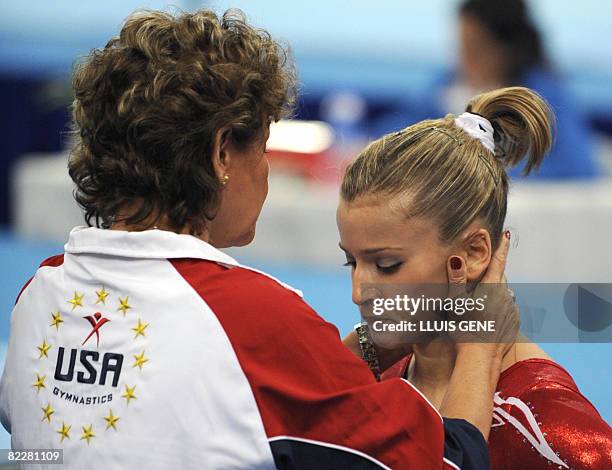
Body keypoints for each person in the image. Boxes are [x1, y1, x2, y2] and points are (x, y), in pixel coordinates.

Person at [0, 8, 516, 470]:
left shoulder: (36, 296)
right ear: (223, 152)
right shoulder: (256, 320)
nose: (267, 172)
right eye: (264, 147)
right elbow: (452, 461)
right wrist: (480, 333)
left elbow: (34, 449)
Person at [339, 86, 612, 469]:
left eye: (386, 266)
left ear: (474, 254)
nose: (357, 293)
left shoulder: (545, 425)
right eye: (351, 263)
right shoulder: (378, 380)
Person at [374, 0, 599, 179]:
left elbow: (579, 167)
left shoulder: (542, 98)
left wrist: (483, 172)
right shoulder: (446, 86)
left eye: (475, 49)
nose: (465, 60)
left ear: (506, 50)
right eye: (462, 47)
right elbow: (393, 133)